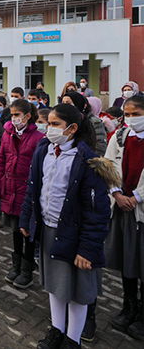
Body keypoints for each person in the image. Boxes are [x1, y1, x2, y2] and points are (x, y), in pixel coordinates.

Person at [19, 103, 113, 348]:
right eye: (47, 123)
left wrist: (88, 248)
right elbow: (33, 188)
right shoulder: (44, 150)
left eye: (54, 124)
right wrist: (27, 219)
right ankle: (57, 330)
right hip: (50, 230)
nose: (48, 129)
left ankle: (73, 339)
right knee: (55, 285)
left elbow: (97, 212)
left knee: (78, 292)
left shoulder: (88, 161)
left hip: (76, 235)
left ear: (71, 129)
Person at [104, 94, 144, 341]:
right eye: (127, 115)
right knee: (126, 261)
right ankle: (129, 305)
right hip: (122, 208)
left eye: (136, 114)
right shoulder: (120, 136)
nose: (131, 119)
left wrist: (137, 198)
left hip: (140, 210)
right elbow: (107, 165)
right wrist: (116, 193)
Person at [0, 99, 45, 290]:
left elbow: (40, 171)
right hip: (11, 189)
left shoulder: (38, 138)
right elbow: (1, 160)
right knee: (15, 230)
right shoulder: (8, 134)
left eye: (18, 115)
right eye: (13, 115)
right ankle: (16, 265)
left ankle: (27, 270)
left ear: (28, 116)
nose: (14, 118)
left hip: (27, 192)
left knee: (28, 232)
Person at [61, 92, 107, 157]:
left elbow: (99, 146)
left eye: (68, 103)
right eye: (63, 103)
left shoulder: (94, 122)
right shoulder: (61, 121)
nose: (64, 106)